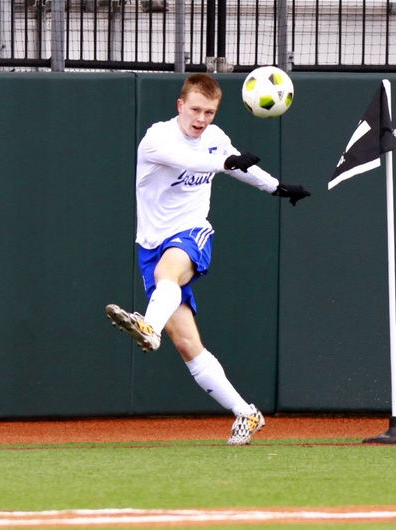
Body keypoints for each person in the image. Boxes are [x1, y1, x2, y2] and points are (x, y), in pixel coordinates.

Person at [106, 73, 310, 446]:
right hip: (150, 243)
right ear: (180, 106)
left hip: (191, 233)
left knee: (171, 270)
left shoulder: (214, 139)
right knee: (187, 345)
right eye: (196, 110)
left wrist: (276, 187)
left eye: (210, 112)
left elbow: (236, 166)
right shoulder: (157, 139)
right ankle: (246, 413)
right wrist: (227, 162)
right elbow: (195, 161)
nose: (201, 119)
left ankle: (148, 328)